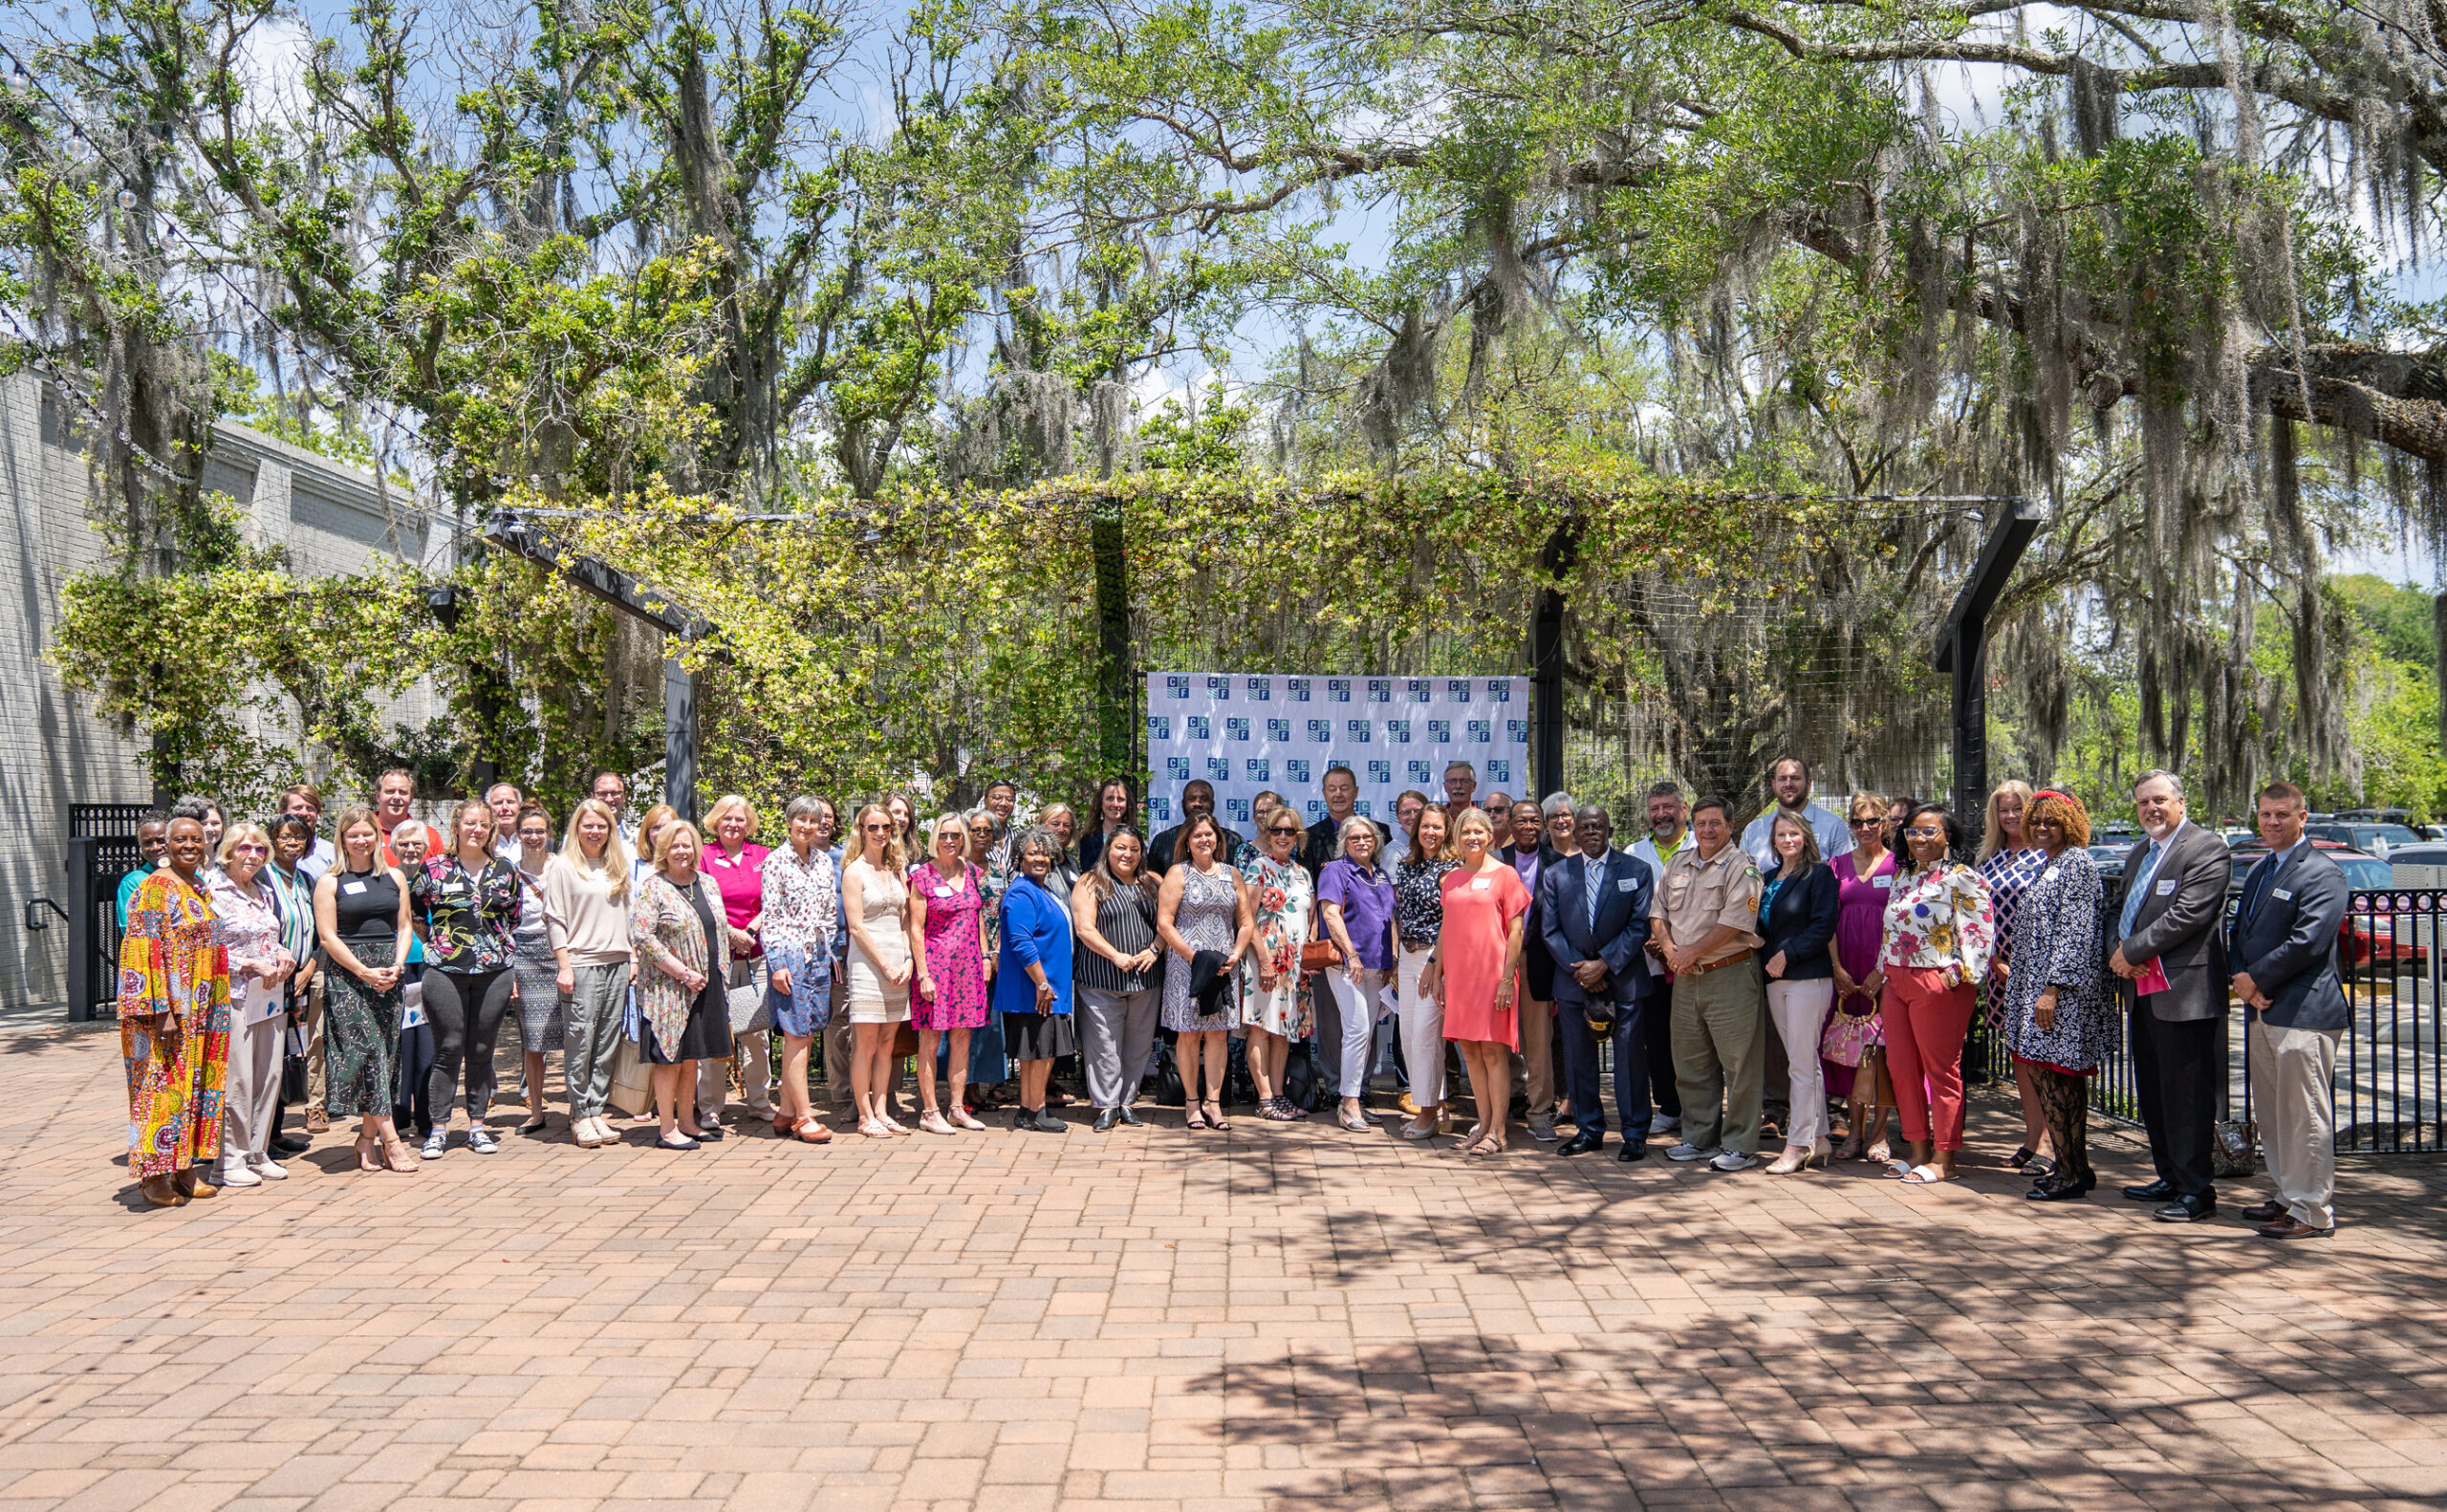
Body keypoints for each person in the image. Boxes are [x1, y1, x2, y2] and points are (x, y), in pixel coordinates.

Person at [2227, 781, 2350, 1239]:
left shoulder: (2322, 873)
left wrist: (2255, 979)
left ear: (2303, 818)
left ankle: (2312, 1211)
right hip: (2262, 1009)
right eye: (2265, 814)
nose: (2273, 822)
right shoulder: (2261, 870)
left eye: (2282, 814)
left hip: (2305, 1013)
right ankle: (2286, 1194)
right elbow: (2240, 932)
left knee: (2305, 1114)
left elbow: (2309, 941)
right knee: (2275, 1112)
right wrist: (2243, 982)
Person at [2110, 769, 2232, 1223]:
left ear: (2181, 802)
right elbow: (2120, 911)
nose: (2151, 809)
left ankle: (2197, 1190)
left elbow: (2188, 915)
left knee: (2188, 1094)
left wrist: (2131, 951)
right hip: (2141, 991)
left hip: (2184, 992)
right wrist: (2117, 953)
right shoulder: (2141, 851)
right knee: (2156, 1091)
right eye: (2143, 802)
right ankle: (2170, 1175)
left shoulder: (2206, 848)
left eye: (2159, 800)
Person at [1999, 789, 2113, 1202]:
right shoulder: (2049, 864)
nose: (2042, 827)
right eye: (2036, 820)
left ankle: (2069, 1172)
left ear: (2071, 824)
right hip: (2037, 986)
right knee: (2051, 1079)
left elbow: (2077, 931)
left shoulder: (2077, 863)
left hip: (2060, 993)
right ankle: (2073, 1168)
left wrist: (2053, 988)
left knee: (2059, 1080)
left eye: (2052, 821)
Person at [1873, 803, 1996, 1185]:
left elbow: (1980, 931)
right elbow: (1891, 929)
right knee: (1901, 1069)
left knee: (1941, 1071)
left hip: (1939, 982)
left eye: (1929, 831)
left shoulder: (1961, 877)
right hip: (1897, 981)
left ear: (1948, 836)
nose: (1920, 839)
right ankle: (1918, 1150)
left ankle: (1945, 1157)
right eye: (1912, 832)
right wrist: (1883, 971)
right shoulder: (1902, 876)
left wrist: (1959, 974)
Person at [119, 816, 232, 1207]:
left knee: (196, 1087)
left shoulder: (199, 886)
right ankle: (152, 1176)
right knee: (160, 1089)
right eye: (180, 839)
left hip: (203, 1009)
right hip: (166, 1012)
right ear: (165, 845)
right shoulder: (153, 889)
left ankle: (185, 1169)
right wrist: (162, 1010)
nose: (189, 845)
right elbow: (141, 953)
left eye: (196, 839)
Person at [1653, 796, 1766, 1173]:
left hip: (1729, 974)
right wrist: (1671, 950)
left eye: (1715, 823)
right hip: (1686, 977)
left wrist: (1689, 953)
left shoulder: (1742, 867)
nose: (1707, 830)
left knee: (1739, 1065)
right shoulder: (1677, 864)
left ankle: (1739, 1145)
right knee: (1691, 1063)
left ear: (1730, 826)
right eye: (1701, 823)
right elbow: (1658, 913)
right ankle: (1698, 1137)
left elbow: (1735, 922)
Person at [410, 799, 524, 1159]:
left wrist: (494, 946)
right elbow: (416, 914)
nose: (477, 830)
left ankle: (477, 1126)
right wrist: (441, 945)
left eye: (484, 824)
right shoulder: (434, 868)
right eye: (470, 823)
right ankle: (439, 1129)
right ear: (457, 825)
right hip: (444, 969)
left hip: (495, 971)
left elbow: (514, 917)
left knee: (481, 1050)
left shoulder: (505, 869)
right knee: (448, 1048)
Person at [1542, 804, 1656, 1161]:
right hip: (1574, 981)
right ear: (1574, 832)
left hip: (1624, 979)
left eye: (1599, 826)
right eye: (1585, 826)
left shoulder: (1636, 870)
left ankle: (1635, 1134)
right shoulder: (1557, 874)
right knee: (1579, 1060)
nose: (1592, 831)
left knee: (1630, 1061)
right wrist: (1582, 970)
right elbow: (1550, 929)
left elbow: (1640, 925)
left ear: (1610, 831)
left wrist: (1604, 964)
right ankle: (1589, 1130)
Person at [314, 808, 418, 1173]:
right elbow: (327, 937)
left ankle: (365, 1141)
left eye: (368, 834)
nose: (361, 841)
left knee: (387, 1056)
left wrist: (398, 964)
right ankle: (393, 1143)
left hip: (389, 972)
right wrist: (363, 971)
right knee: (370, 1052)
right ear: (342, 839)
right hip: (349, 976)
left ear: (378, 836)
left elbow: (404, 926)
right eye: (353, 835)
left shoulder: (394, 877)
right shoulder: (330, 881)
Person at [629, 820, 733, 1149]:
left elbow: (717, 927)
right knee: (668, 1059)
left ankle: (688, 1121)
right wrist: (682, 972)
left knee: (691, 1057)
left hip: (706, 983)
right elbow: (643, 936)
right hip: (669, 988)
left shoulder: (708, 882)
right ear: (663, 850)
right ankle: (667, 1128)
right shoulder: (653, 887)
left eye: (687, 845)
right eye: (674, 845)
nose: (681, 851)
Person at [206, 825, 297, 1189]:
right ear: (228, 850)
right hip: (233, 996)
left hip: (267, 994)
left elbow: (269, 937)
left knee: (268, 1074)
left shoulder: (261, 890)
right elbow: (208, 950)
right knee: (238, 1080)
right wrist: (248, 964)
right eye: (245, 847)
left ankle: (257, 1153)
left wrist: (281, 954)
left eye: (260, 849)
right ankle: (228, 1160)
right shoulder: (213, 890)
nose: (253, 855)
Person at [1436, 808, 1529, 1156]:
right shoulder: (1452, 879)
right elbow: (1447, 928)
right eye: (1464, 832)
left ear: (1490, 836)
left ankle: (1499, 1132)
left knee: (1492, 1051)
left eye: (1478, 831)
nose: (1471, 837)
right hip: (1460, 978)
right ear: (1456, 839)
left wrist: (1508, 978)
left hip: (1494, 977)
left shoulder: (1506, 876)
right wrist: (1438, 971)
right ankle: (1483, 1124)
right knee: (1470, 1052)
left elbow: (1516, 930)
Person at [547, 798, 635, 1150]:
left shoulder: (617, 864)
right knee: (580, 1042)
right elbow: (555, 919)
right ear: (577, 828)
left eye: (602, 826)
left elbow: (629, 916)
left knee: (607, 1041)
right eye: (589, 825)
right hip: (581, 964)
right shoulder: (564, 866)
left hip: (618, 962)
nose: (595, 831)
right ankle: (579, 1113)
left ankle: (597, 1109)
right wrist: (564, 965)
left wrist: (636, 959)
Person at [1158, 813, 1251, 1131]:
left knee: (1217, 1036)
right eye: (1197, 835)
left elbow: (1246, 922)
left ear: (1218, 839)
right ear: (1186, 840)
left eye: (1209, 834)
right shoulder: (1177, 873)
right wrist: (1193, 957)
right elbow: (1165, 923)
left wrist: (1236, 955)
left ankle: (1214, 1103)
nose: (1204, 840)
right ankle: (1192, 1103)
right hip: (1187, 967)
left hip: (1224, 967)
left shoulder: (1231, 874)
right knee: (1188, 1035)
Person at [759, 796, 844, 1145]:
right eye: (801, 820)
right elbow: (771, 918)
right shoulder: (775, 862)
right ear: (789, 821)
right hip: (789, 957)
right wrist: (778, 964)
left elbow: (828, 912)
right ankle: (805, 1116)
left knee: (807, 1033)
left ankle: (784, 1111)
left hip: (819, 956)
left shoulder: (824, 862)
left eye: (814, 820)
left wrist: (827, 952)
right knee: (795, 1033)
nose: (808, 826)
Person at [1757, 812, 1839, 1174]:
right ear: (1773, 840)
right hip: (1776, 980)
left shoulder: (1819, 875)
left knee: (1801, 1065)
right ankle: (1819, 1139)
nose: (1787, 840)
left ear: (1805, 837)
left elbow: (1823, 926)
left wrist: (1787, 955)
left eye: (1793, 833)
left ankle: (1797, 1143)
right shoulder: (1768, 878)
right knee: (1802, 1061)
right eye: (1780, 834)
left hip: (1808, 977)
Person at [1072, 824, 1163, 1131]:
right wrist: (1115, 955)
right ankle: (1106, 1106)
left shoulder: (1153, 882)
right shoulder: (1091, 882)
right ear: (1108, 850)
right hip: (1100, 979)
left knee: (1138, 1046)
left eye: (1134, 849)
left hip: (1145, 981)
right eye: (1120, 848)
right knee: (1103, 1045)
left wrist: (1155, 949)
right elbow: (1085, 928)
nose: (1127, 854)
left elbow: (1169, 923)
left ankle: (1126, 1102)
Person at [911, 813, 994, 1134]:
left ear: (964, 840)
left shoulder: (971, 871)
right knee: (930, 1040)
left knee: (962, 1038)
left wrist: (986, 956)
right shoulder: (922, 876)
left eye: (956, 836)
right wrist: (923, 974)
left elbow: (979, 919)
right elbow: (915, 930)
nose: (950, 841)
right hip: (935, 969)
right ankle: (929, 1111)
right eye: (944, 835)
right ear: (935, 838)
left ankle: (957, 1108)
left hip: (969, 967)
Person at [1829, 791, 1898, 1162]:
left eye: (1873, 821)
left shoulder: (1899, 865)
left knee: (1882, 1049)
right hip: (1847, 969)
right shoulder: (1836, 865)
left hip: (1885, 969)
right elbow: (1827, 920)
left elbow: (1905, 923)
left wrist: (1882, 970)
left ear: (1885, 822)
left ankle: (1880, 1133)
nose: (1866, 828)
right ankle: (1853, 1132)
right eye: (1858, 822)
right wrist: (1836, 968)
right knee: (1853, 1049)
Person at [1316, 815, 1397, 1133]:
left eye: (1368, 837)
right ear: (1344, 843)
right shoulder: (1335, 871)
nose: (1362, 842)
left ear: (1376, 841)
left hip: (1378, 967)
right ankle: (1348, 1103)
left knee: (1365, 1034)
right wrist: (1351, 954)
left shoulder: (1381, 876)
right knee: (1358, 1029)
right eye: (1355, 838)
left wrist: (1391, 961)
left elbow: (1390, 919)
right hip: (1347, 964)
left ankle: (1357, 1099)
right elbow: (1330, 913)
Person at [699, 794, 775, 1132]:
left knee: (756, 1033)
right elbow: (699, 900)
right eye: (727, 819)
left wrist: (750, 930)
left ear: (749, 824)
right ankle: (711, 1107)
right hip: (716, 956)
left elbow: (774, 898)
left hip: (755, 954)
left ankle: (759, 1101)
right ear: (716, 821)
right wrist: (731, 933)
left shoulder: (762, 856)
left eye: (740, 820)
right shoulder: (703, 855)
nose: (733, 824)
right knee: (716, 1032)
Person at [1977, 779, 2047, 1142]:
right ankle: (2033, 1138)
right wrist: (1993, 961)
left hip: (2041, 975)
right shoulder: (1987, 860)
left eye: (2018, 808)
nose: (2011, 816)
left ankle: (2051, 1142)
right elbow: (1975, 917)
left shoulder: (2049, 854)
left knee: (2044, 1058)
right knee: (2019, 1055)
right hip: (2000, 973)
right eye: (2004, 810)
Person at [997, 827, 1079, 1131]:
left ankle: (1029, 1110)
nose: (1039, 858)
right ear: (1021, 857)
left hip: (1049, 987)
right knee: (1040, 1053)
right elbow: (1021, 941)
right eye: (1032, 852)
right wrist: (1042, 983)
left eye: (1044, 852)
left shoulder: (1043, 890)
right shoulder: (1021, 893)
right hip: (1036, 990)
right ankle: (1036, 1109)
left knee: (1039, 1054)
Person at [842, 803, 916, 1137]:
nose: (880, 833)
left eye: (886, 827)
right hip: (868, 965)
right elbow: (856, 927)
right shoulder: (853, 871)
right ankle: (864, 1114)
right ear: (861, 830)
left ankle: (883, 1111)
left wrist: (908, 961)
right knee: (866, 1044)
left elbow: (905, 922)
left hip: (897, 966)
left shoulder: (898, 870)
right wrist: (885, 965)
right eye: (873, 827)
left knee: (888, 1043)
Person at [1240, 802, 1316, 1119]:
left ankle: (1279, 1094)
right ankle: (1265, 1097)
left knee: (1283, 1030)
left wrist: (1309, 959)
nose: (1283, 836)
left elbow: (1310, 919)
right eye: (1276, 830)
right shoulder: (1258, 868)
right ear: (1268, 833)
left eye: (1289, 831)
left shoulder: (1303, 873)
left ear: (1298, 836)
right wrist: (1265, 961)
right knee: (1260, 1028)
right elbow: (1246, 917)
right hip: (1266, 962)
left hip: (1296, 966)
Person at [1499, 798, 1564, 1143]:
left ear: (1543, 825)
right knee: (1499, 1036)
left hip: (1537, 962)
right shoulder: (1495, 860)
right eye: (1521, 821)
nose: (1528, 827)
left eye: (1534, 821)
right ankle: (1506, 1102)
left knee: (1538, 1042)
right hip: (1498, 963)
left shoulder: (1559, 863)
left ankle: (1540, 1112)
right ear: (1509, 825)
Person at [1629, 782, 1690, 1139]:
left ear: (1684, 809)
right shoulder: (1634, 851)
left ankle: (1699, 1109)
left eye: (1668, 807)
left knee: (1696, 1041)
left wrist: (1675, 944)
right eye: (1655, 809)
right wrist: (1651, 942)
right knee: (1657, 1040)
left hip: (1694, 963)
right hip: (1649, 964)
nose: (1662, 814)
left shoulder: (1704, 846)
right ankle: (1668, 1107)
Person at [1392, 806, 1458, 1138]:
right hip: (1407, 955)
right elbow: (1400, 914)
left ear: (1447, 830)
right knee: (1408, 1037)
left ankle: (1429, 1112)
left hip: (1435, 958)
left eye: (1437, 827)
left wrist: (1437, 964)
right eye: (1425, 826)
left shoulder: (1452, 869)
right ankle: (1428, 1106)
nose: (1430, 832)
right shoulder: (1405, 867)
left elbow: (1452, 920)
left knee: (1427, 1037)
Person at [506, 803, 565, 1136]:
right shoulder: (509, 873)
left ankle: (578, 1109)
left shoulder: (563, 867)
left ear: (548, 833)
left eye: (539, 831)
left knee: (574, 1035)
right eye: (526, 831)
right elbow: (503, 924)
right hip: (524, 955)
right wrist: (510, 970)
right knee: (532, 1039)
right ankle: (537, 1111)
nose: (533, 837)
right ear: (517, 834)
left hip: (563, 953)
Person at [264, 813, 320, 1156]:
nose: (292, 843)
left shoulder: (307, 880)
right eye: (285, 836)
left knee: (285, 1057)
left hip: (300, 980)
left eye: (299, 837)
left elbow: (319, 931)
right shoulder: (261, 877)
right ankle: (260, 1135)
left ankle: (276, 1132)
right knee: (265, 1060)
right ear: (272, 839)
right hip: (268, 980)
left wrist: (309, 968)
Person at [387, 818, 439, 1142]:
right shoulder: (387, 881)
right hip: (397, 967)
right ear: (393, 848)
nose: (410, 849)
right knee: (400, 1043)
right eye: (403, 844)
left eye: (416, 844)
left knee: (427, 1043)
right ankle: (397, 1115)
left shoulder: (436, 879)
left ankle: (427, 1115)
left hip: (431, 968)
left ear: (425, 847)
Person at [1741, 757, 1853, 870]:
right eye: (1782, 779)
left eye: (1795, 778)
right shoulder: (1753, 830)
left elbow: (1844, 875)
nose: (1788, 784)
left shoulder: (1833, 827)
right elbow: (1743, 878)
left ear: (1808, 783)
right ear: (1774, 785)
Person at [1148, 779, 1244, 874]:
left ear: (1213, 804)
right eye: (1191, 799)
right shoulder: (1162, 841)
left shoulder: (1234, 841)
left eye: (1204, 799)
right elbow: (1152, 881)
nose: (1197, 803)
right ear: (1183, 804)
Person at [373, 768, 444, 867]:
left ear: (411, 798)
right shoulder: (362, 834)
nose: (396, 797)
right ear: (378, 796)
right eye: (390, 791)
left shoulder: (430, 837)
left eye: (403, 792)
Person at [116, 813, 169, 928]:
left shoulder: (191, 875)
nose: (155, 847)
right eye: (148, 843)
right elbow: (130, 928)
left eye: (161, 840)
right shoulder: (132, 882)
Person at [278, 784, 336, 884]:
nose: (304, 813)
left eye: (310, 808)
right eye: (298, 808)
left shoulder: (332, 853)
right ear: (283, 812)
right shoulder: (268, 852)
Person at [1078, 777, 1137, 874]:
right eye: (1110, 798)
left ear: (1127, 804)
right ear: (1101, 803)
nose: (1115, 804)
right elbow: (1089, 875)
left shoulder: (1136, 838)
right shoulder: (1089, 840)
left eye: (1120, 799)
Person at [631, 803, 679, 883]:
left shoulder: (685, 867)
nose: (662, 833)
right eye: (656, 828)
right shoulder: (633, 869)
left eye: (667, 827)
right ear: (647, 834)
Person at [1040, 803, 1083, 891]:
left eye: (1066, 825)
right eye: (1055, 824)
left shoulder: (1071, 861)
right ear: (1042, 826)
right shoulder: (1035, 860)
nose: (1061, 829)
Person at [590, 769, 637, 845]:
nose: (609, 799)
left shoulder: (639, 838)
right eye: (602, 793)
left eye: (615, 793)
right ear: (592, 797)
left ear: (624, 796)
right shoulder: (576, 840)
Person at [1384, 789, 1427, 865]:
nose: (1413, 817)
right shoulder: (1392, 851)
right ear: (1398, 817)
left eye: (1417, 811)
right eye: (1406, 812)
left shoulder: (1436, 845)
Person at [486, 783, 526, 862]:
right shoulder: (482, 842)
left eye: (510, 802)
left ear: (519, 806)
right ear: (489, 809)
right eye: (498, 803)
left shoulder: (533, 839)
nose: (505, 807)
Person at [1441, 761, 1480, 830]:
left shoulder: (1485, 818)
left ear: (1473, 786)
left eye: (1464, 781)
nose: (1458, 786)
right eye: (1453, 781)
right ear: (1445, 787)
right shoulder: (1438, 818)